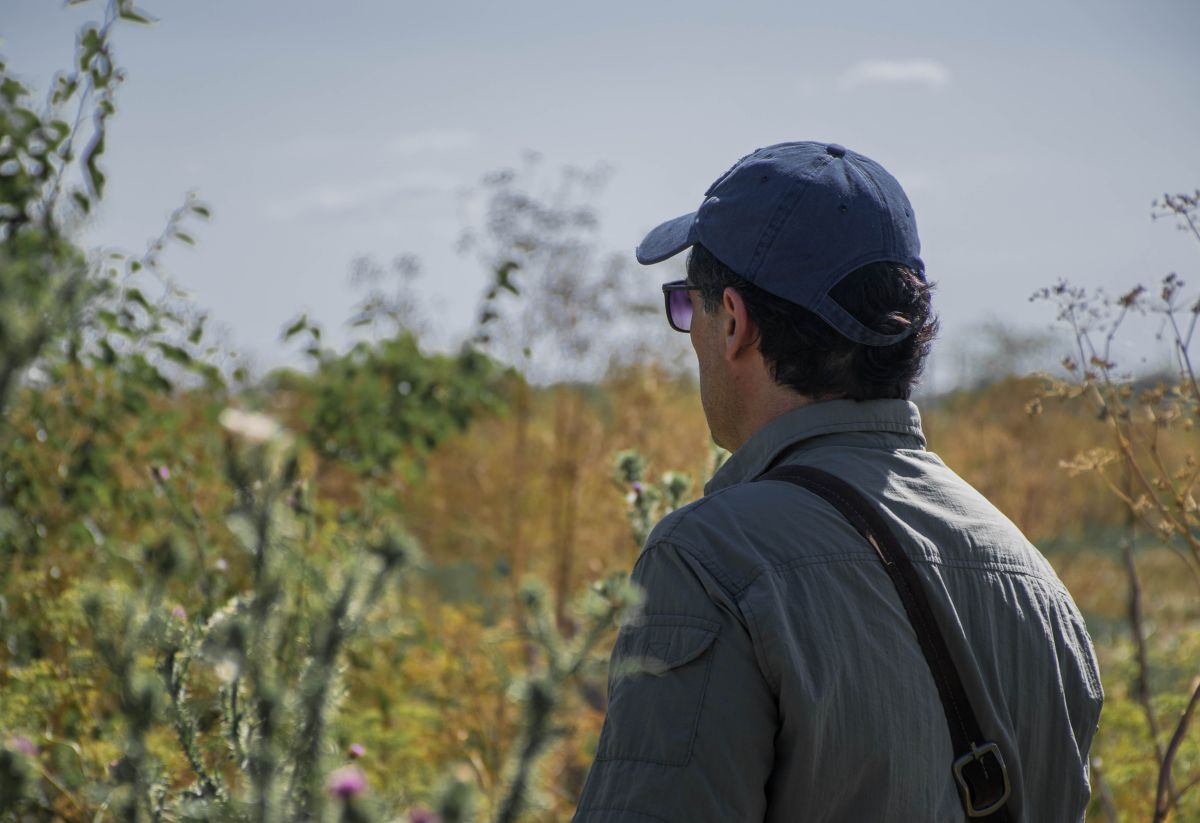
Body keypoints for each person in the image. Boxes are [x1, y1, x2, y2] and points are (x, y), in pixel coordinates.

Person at [572, 141, 1102, 822]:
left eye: (687, 306)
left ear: (732, 320)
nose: (691, 334)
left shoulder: (711, 560)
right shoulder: (1033, 579)